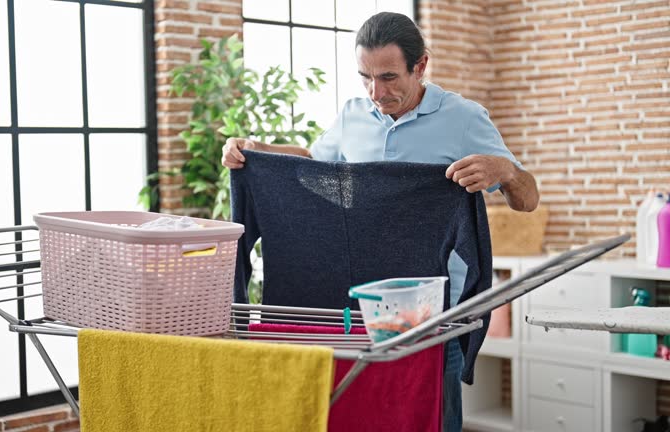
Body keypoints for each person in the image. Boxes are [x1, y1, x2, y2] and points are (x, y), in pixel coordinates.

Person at [222, 11, 539, 432]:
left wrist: (506, 171)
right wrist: (255, 151)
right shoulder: (353, 114)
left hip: (435, 318)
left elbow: (528, 200)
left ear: (420, 65)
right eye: (366, 77)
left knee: (433, 420)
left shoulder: (464, 118)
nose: (377, 92)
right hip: (358, 312)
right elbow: (314, 165)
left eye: (389, 77)